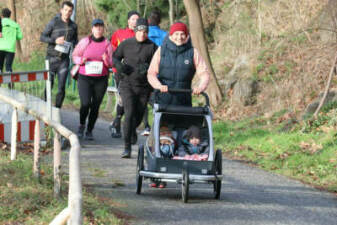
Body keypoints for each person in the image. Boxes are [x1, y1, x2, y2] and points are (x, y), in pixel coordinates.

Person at [113, 18, 157, 158]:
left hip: (144, 87)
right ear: (135, 30)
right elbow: (115, 58)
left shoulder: (152, 47)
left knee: (137, 118)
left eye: (145, 32)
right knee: (129, 113)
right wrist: (119, 67)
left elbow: (159, 65)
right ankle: (126, 148)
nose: (142, 34)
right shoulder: (126, 44)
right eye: (140, 31)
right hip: (127, 84)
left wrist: (150, 68)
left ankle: (132, 131)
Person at [147, 22, 210, 106]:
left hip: (184, 99)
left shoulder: (193, 52)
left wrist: (200, 87)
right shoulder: (161, 51)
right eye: (176, 34)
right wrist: (158, 86)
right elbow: (151, 73)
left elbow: (204, 73)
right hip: (163, 99)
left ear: (187, 35)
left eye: (182, 34)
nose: (179, 37)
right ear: (171, 35)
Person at [72, 19, 113, 140]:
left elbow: (111, 63)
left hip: (101, 79)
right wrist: (81, 60)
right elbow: (75, 55)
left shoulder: (107, 43)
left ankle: (89, 130)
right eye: (96, 27)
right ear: (92, 29)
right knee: (85, 103)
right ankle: (81, 125)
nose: (98, 29)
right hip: (84, 77)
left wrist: (106, 59)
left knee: (95, 106)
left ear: (103, 29)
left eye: (100, 27)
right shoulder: (85, 41)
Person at [40, 1, 78, 108]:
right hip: (51, 59)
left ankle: (57, 110)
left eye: (70, 11)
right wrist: (54, 40)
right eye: (65, 10)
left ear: (72, 12)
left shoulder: (74, 26)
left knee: (61, 87)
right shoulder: (54, 22)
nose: (67, 13)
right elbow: (42, 37)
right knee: (49, 85)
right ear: (61, 10)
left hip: (64, 61)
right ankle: (45, 109)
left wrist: (75, 47)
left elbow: (75, 41)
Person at [109, 10, 140, 138]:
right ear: (128, 21)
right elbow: (112, 52)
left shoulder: (142, 35)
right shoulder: (119, 34)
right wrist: (117, 65)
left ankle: (120, 122)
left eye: (137, 19)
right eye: (133, 19)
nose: (135, 22)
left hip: (137, 74)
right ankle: (117, 123)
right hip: (121, 73)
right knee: (123, 98)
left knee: (134, 100)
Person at [140, 10, 167, 136]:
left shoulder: (144, 34)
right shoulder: (165, 35)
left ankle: (146, 125)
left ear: (148, 21)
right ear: (160, 21)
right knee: (157, 98)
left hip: (144, 70)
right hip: (160, 71)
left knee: (143, 99)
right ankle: (160, 124)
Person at [0, 8, 23, 74]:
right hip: (10, 49)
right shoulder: (15, 24)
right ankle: (10, 83)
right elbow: (20, 37)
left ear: (2, 15)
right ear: (10, 15)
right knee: (8, 66)